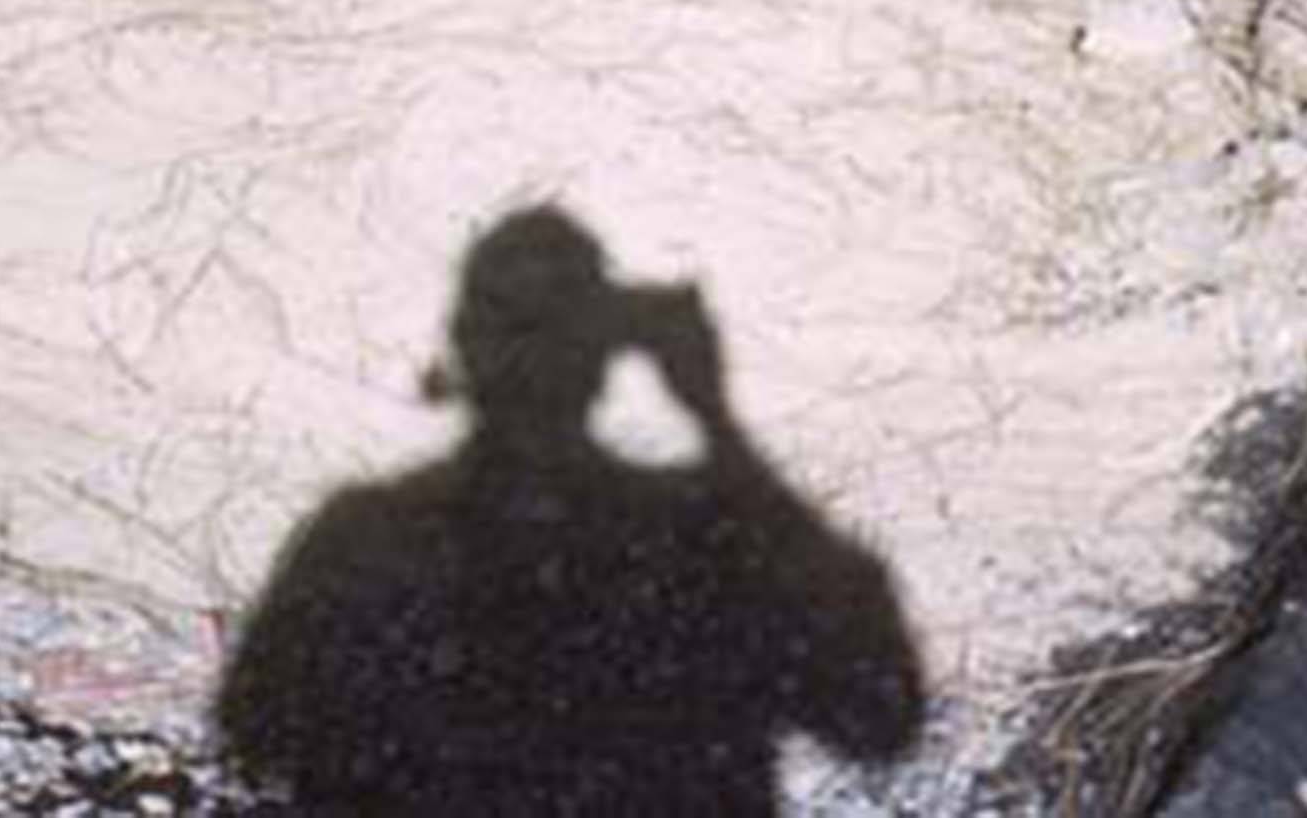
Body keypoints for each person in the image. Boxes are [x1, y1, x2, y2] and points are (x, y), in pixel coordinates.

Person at [218, 207, 924, 814]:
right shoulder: (695, 538)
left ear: (464, 341)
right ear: (609, 351)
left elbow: (256, 739)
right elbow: (876, 714)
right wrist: (718, 425)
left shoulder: (370, 541)